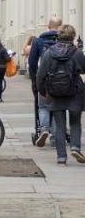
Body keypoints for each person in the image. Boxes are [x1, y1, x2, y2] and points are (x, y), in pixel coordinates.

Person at [34, 23, 85, 165]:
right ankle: (75, 147)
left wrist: (42, 91)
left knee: (59, 125)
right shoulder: (77, 53)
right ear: (73, 36)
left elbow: (40, 75)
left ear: (59, 35)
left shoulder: (49, 53)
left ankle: (61, 157)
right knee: (75, 122)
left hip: (55, 93)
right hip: (75, 91)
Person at [27, 16, 62, 146]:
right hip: (62, 80)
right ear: (61, 27)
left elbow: (32, 63)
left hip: (44, 79)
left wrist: (35, 80)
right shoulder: (66, 41)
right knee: (59, 107)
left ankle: (44, 129)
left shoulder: (38, 41)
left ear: (48, 26)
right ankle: (56, 137)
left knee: (43, 107)